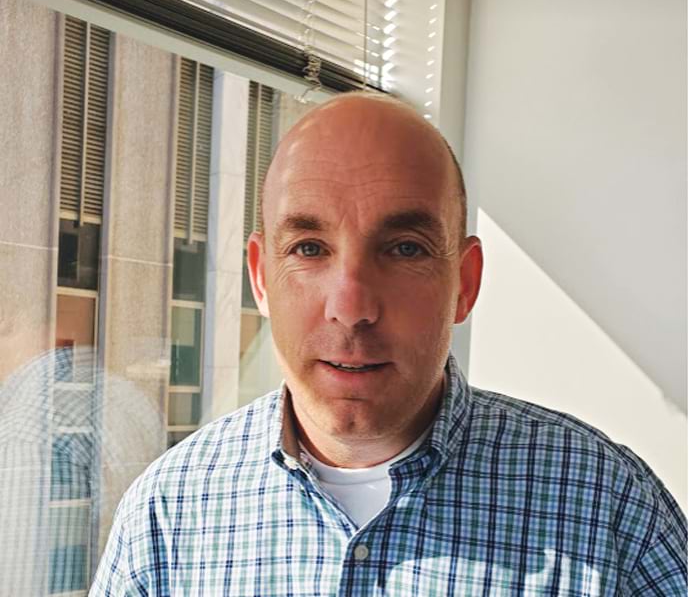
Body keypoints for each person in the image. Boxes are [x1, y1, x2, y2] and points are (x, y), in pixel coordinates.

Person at [90, 92, 686, 595]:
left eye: (404, 248)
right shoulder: (166, 517)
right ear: (261, 279)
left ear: (465, 282)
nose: (351, 307)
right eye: (308, 248)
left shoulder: (611, 510)